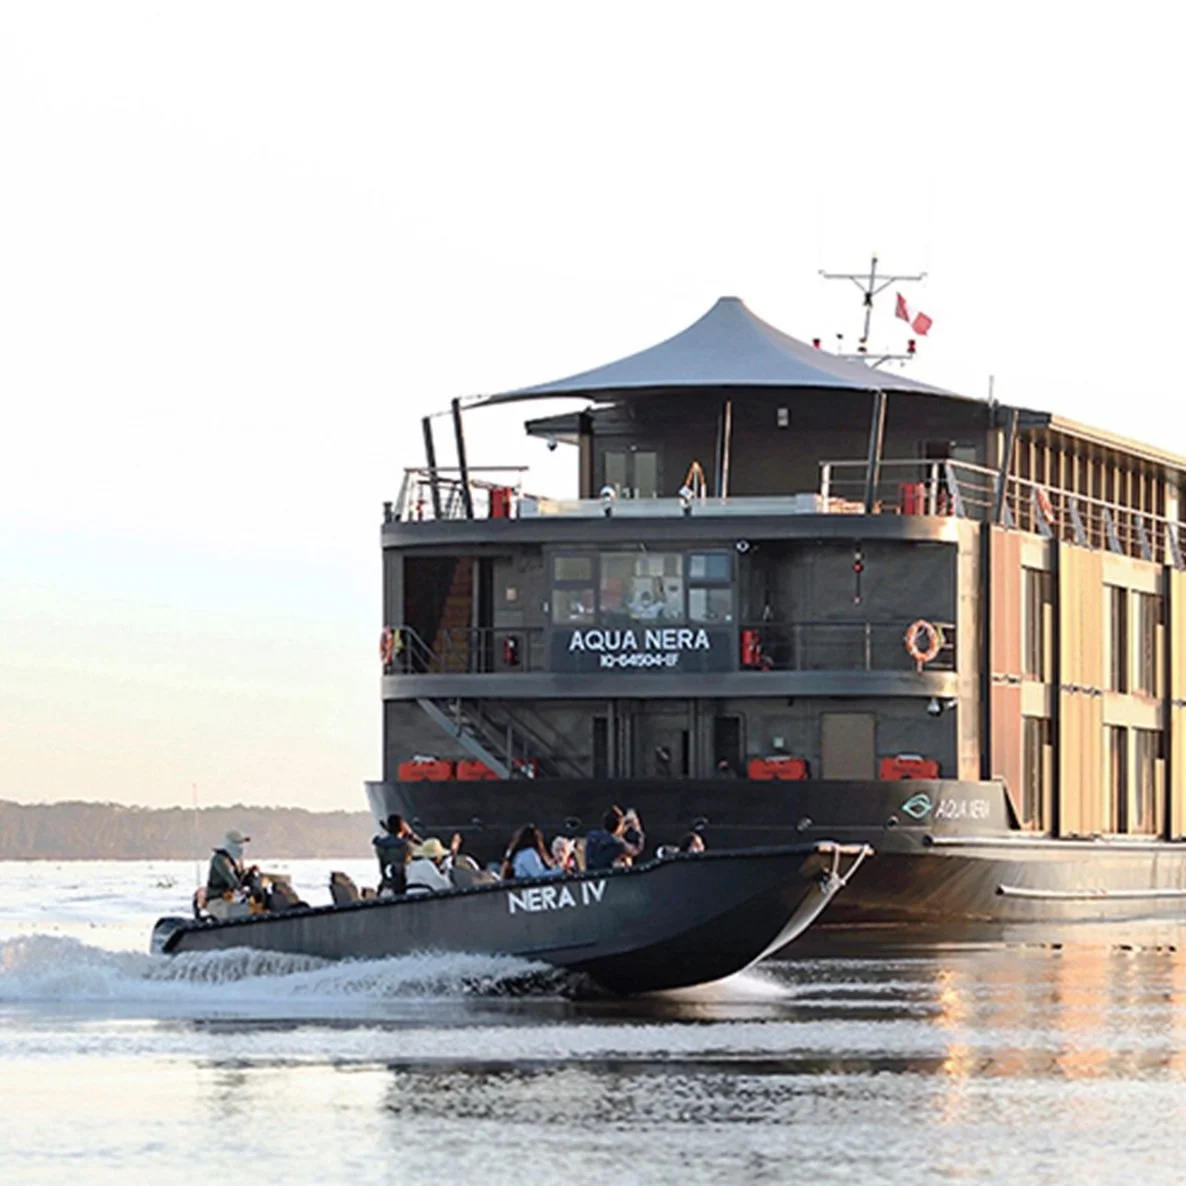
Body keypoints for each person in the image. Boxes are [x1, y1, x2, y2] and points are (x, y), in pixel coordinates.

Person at [205, 829, 254, 920]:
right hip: (218, 902)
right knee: (247, 911)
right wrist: (242, 889)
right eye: (238, 844)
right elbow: (231, 879)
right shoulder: (219, 859)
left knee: (253, 908)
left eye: (243, 844)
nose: (242, 847)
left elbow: (240, 878)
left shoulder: (236, 860)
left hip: (231, 900)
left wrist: (250, 875)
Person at [584, 806, 645, 871]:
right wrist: (636, 827)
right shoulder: (614, 843)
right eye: (623, 824)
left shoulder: (593, 836)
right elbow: (635, 850)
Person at [373, 813, 417, 894]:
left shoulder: (380, 846)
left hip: (386, 885)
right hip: (403, 886)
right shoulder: (406, 846)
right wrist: (411, 836)